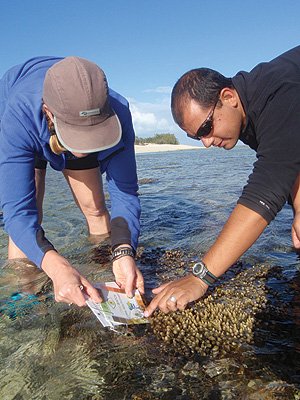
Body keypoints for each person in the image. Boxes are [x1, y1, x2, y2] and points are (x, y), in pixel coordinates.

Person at [144, 45, 300, 317]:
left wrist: (200, 277)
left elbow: (264, 192)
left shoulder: (278, 93)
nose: (205, 143)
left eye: (205, 128)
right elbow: (290, 153)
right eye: (196, 137)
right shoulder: (249, 110)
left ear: (228, 97)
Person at [0, 56, 144, 307]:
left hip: (74, 119)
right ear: (48, 113)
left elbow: (125, 193)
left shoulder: (118, 110)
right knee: (31, 206)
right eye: (81, 138)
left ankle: (105, 272)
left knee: (95, 208)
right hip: (27, 126)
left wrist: (124, 250)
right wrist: (57, 267)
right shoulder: (18, 113)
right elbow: (18, 213)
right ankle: (24, 296)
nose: (86, 150)